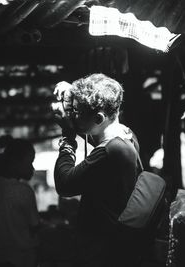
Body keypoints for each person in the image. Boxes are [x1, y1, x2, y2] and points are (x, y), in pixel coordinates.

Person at [53, 73, 145, 267]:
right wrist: (73, 94)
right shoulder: (126, 135)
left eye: (77, 112)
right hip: (116, 247)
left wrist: (67, 137)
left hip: (103, 252)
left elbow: (65, 184)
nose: (73, 115)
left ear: (99, 118)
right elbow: (93, 132)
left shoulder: (109, 152)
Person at [0, 136, 39, 267]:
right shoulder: (24, 191)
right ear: (15, 162)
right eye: (29, 162)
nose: (32, 168)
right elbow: (34, 227)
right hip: (22, 260)